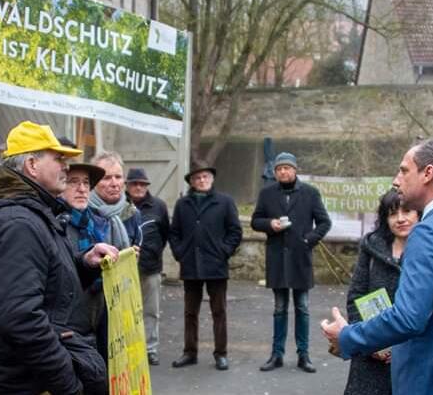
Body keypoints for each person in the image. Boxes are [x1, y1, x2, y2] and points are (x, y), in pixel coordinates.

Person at [321, 138, 433, 395]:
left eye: (404, 170)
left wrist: (348, 336)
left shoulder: (428, 232)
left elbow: (408, 318)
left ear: (428, 173)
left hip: (430, 381)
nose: (397, 180)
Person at [0, 121, 118, 394]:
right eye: (59, 158)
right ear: (32, 165)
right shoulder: (18, 222)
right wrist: (68, 384)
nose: (66, 166)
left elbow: (47, 281)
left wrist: (84, 263)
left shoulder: (32, 213)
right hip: (35, 384)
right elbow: (21, 318)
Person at [251, 152, 332, 373]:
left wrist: (308, 240)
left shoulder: (310, 193)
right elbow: (255, 221)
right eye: (279, 169)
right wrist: (270, 224)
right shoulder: (267, 194)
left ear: (295, 170)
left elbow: (325, 223)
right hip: (277, 259)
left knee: (302, 308)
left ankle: (303, 355)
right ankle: (276, 355)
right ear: (275, 173)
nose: (283, 172)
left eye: (287, 168)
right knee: (279, 308)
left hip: (300, 259)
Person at [343, 190, 420, 395]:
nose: (400, 219)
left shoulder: (428, 251)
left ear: (419, 213)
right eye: (392, 213)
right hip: (369, 356)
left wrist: (399, 348)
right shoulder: (371, 247)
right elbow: (356, 296)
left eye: (407, 211)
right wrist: (372, 342)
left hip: (410, 358)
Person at [169, 162, 242, 371]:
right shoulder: (183, 204)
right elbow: (174, 233)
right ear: (191, 181)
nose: (202, 180)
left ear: (212, 179)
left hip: (216, 265)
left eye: (205, 177)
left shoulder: (225, 202)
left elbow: (235, 231)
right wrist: (180, 253)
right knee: (190, 312)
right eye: (197, 178)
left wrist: (223, 251)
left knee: (219, 311)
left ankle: (221, 354)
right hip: (191, 264)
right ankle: (189, 352)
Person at [87, 150, 143, 361]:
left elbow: (138, 243)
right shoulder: (83, 210)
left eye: (118, 177)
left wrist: (131, 257)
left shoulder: (131, 213)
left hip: (122, 296)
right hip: (91, 300)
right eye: (106, 177)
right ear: (94, 182)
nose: (114, 183)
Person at [126, 167, 170, 366]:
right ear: (127, 186)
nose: (138, 187)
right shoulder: (120, 204)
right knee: (126, 311)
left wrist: (152, 252)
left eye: (142, 184)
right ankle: (129, 349)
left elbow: (165, 234)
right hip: (124, 268)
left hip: (151, 267)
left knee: (151, 310)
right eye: (134, 183)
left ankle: (150, 349)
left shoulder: (158, 206)